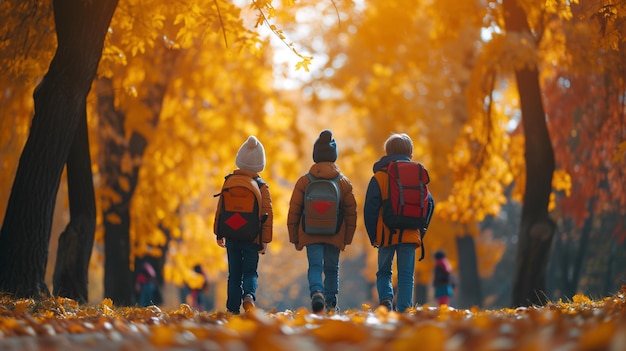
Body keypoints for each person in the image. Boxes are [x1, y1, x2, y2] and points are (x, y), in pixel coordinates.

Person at [287, 130, 357, 313]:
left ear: (315, 156)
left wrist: (295, 237)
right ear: (334, 157)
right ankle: (331, 303)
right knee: (332, 268)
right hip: (334, 232)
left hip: (310, 232)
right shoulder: (343, 183)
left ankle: (316, 291)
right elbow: (351, 213)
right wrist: (346, 238)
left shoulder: (304, 182)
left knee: (315, 266)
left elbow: (293, 211)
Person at [363, 133, 435, 312]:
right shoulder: (418, 174)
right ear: (410, 154)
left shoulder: (380, 176)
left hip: (386, 233)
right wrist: (420, 231)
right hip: (411, 233)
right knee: (406, 275)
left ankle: (386, 300)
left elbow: (370, 207)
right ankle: (404, 310)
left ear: (387, 153)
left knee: (384, 272)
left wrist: (373, 235)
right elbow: (430, 204)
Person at [214, 135, 273, 314]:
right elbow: (267, 214)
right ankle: (249, 296)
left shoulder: (229, 181)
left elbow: (220, 210)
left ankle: (232, 309)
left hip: (231, 234)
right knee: (250, 272)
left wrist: (218, 232)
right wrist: (265, 240)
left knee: (234, 275)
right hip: (252, 237)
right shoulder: (262, 186)